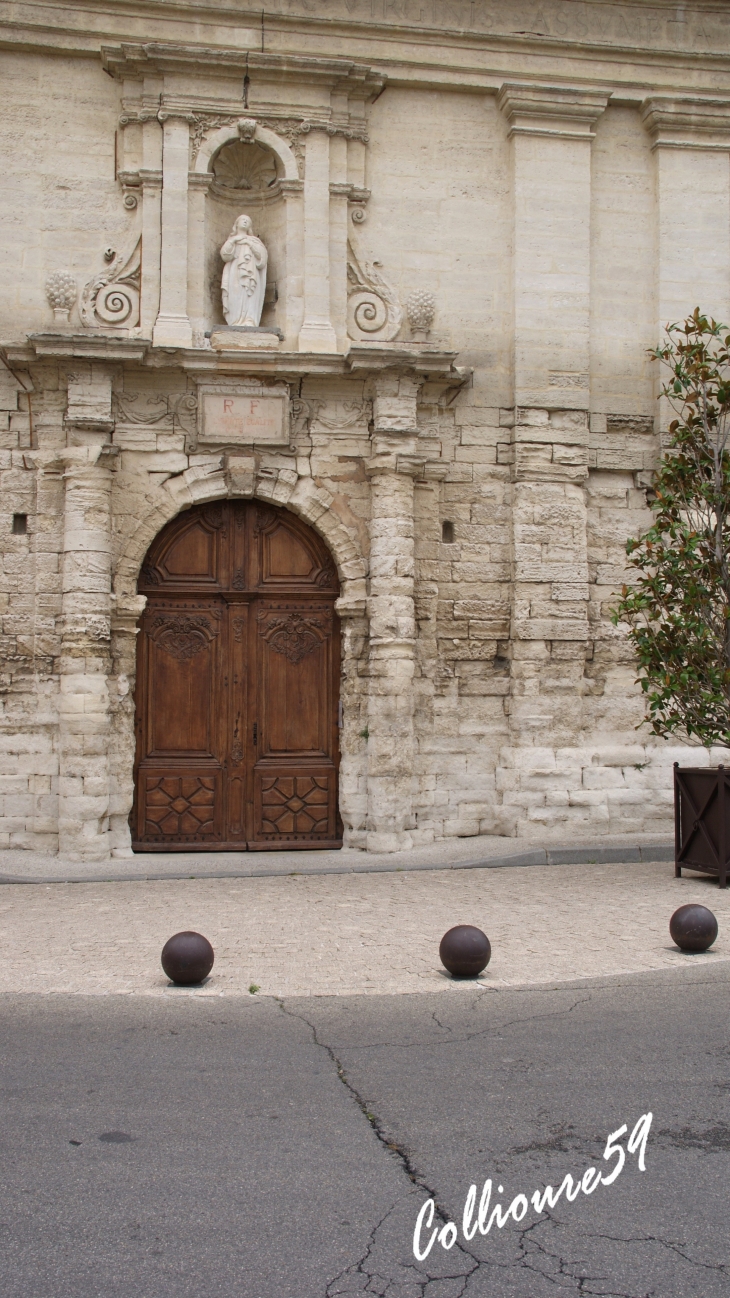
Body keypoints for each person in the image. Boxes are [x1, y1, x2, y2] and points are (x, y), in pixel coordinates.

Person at [220, 214, 268, 327]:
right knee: (235, 293)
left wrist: (250, 244)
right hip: (235, 273)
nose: (245, 221)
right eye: (243, 220)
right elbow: (225, 255)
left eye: (248, 220)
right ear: (236, 224)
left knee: (249, 294)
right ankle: (235, 320)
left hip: (251, 273)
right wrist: (234, 240)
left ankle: (249, 320)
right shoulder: (232, 240)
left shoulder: (255, 241)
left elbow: (262, 259)